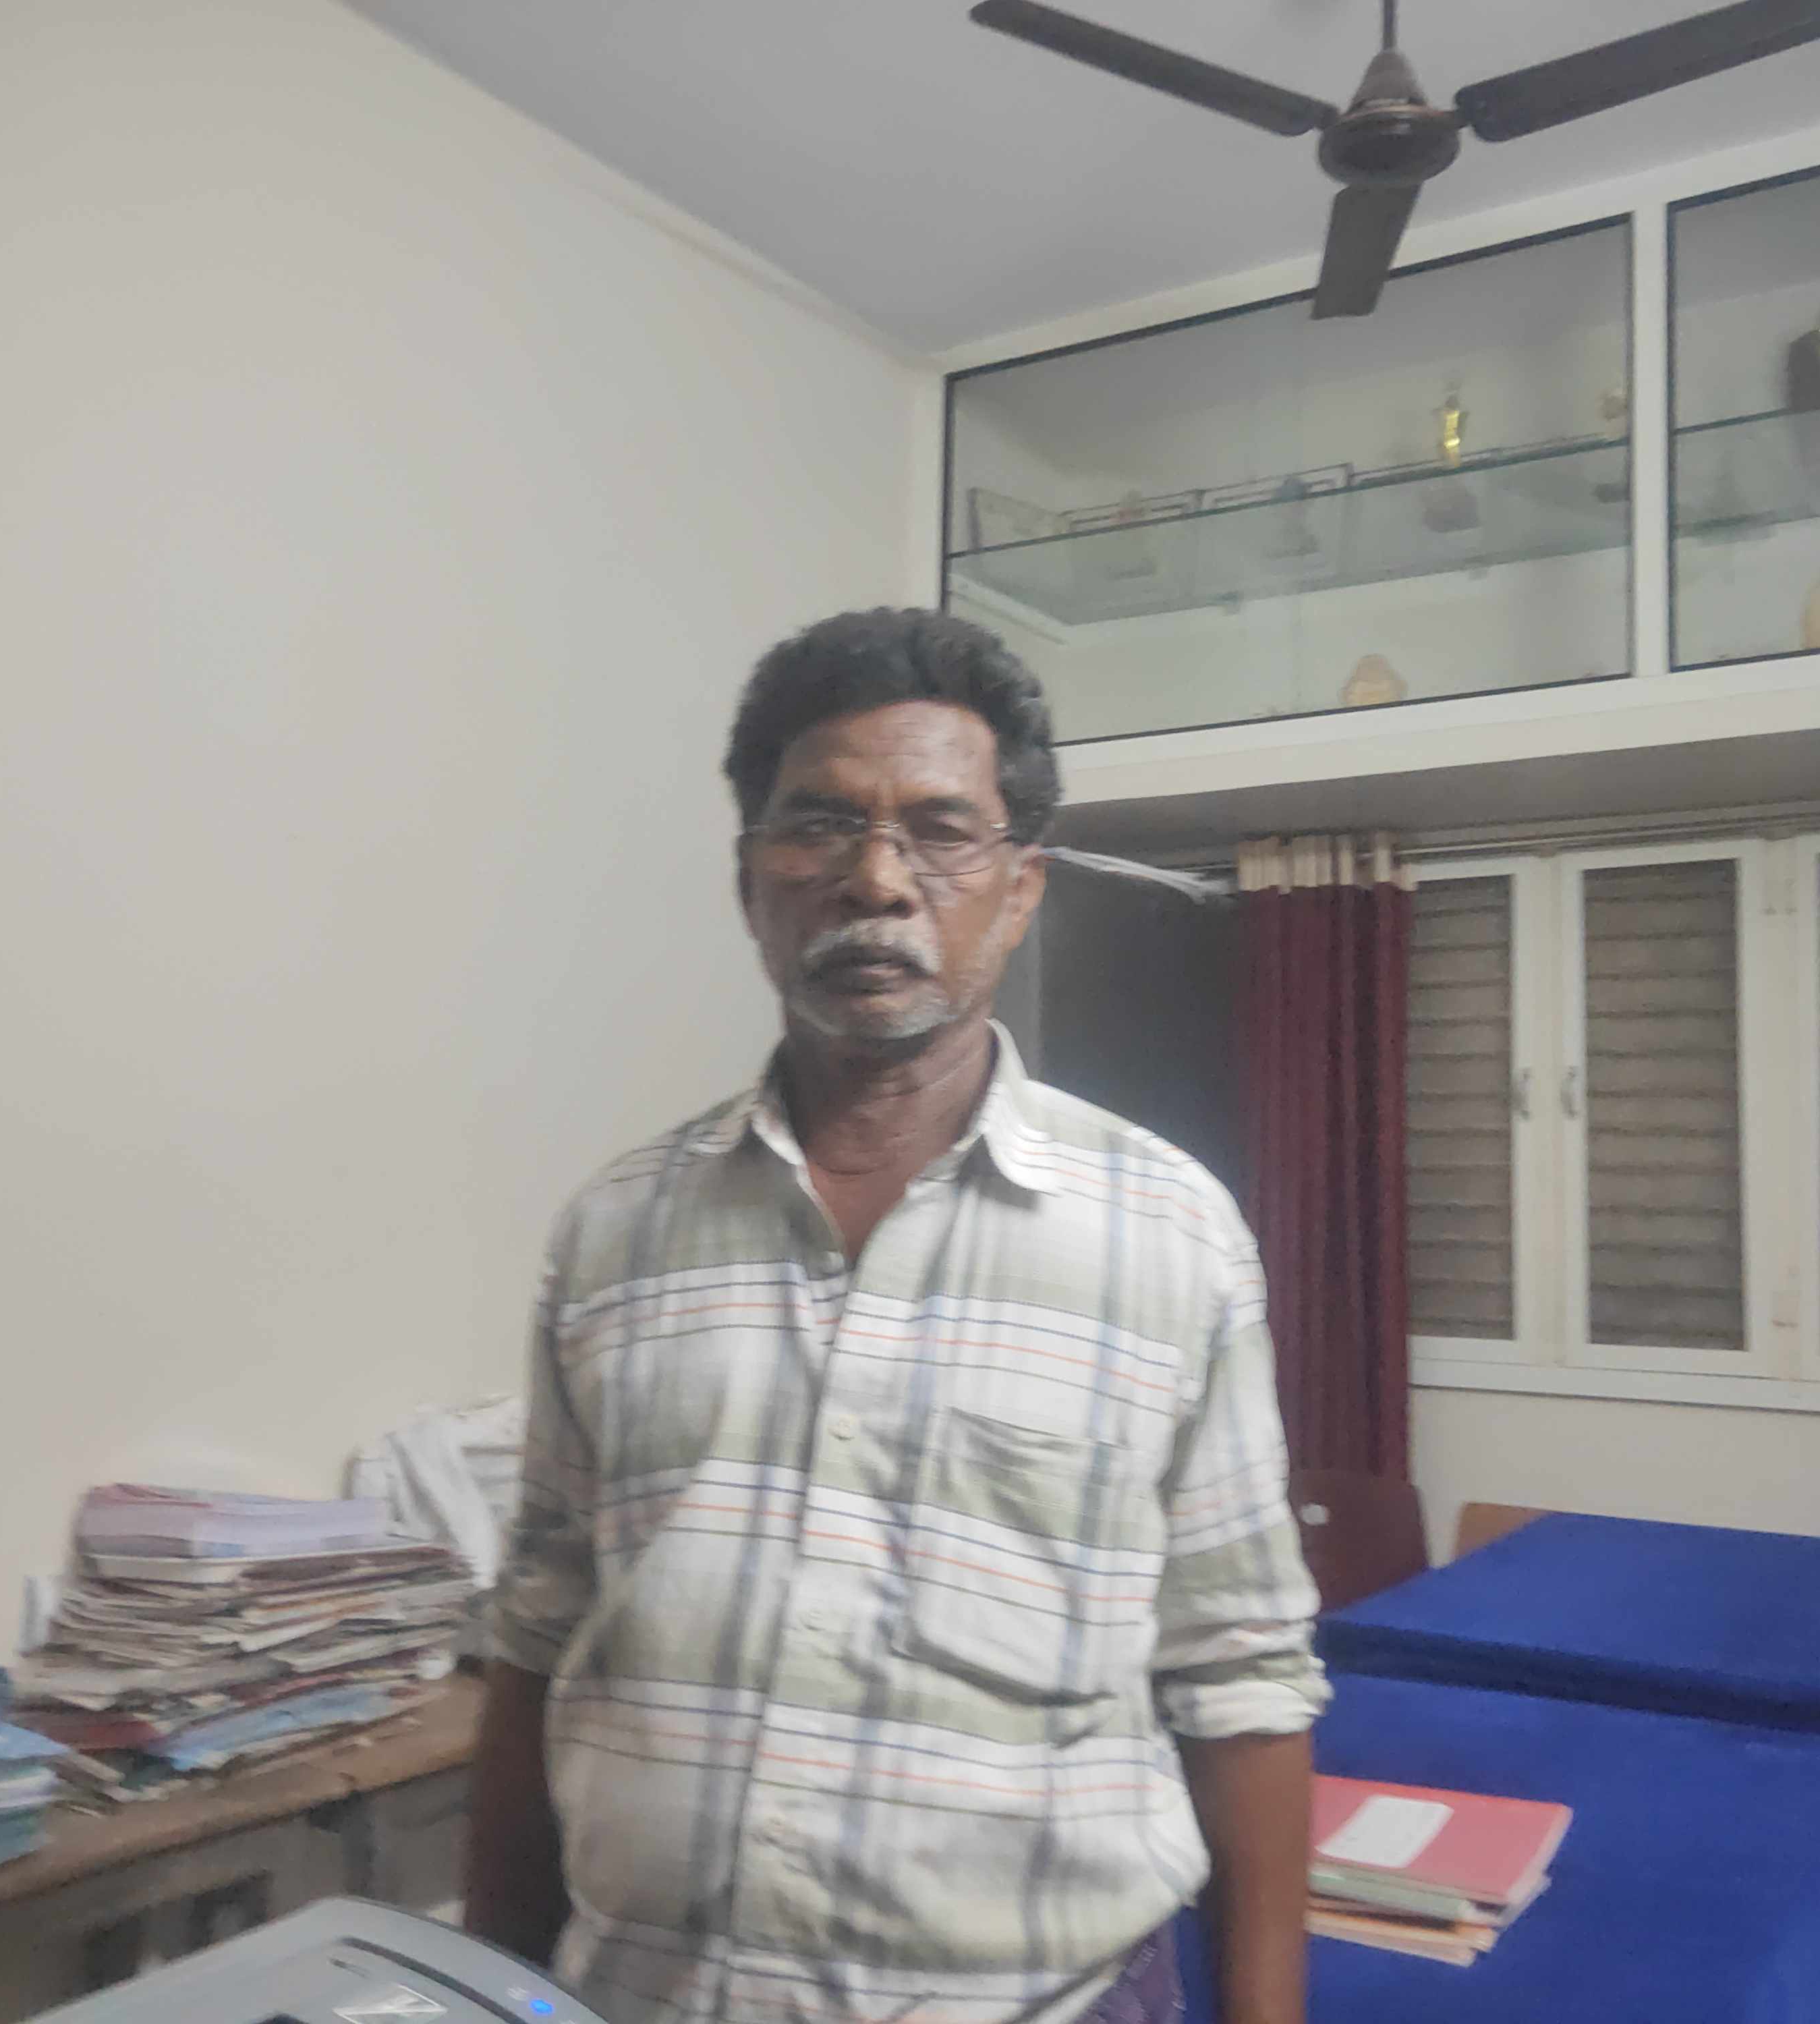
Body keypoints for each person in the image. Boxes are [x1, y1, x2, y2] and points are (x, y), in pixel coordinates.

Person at [465, 608, 1327, 2024]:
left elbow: (1241, 1676)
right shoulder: (613, 1235)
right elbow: (541, 1634)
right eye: (819, 826)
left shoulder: (1169, 1238)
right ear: (750, 882)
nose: (876, 880)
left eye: (940, 832)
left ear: (1020, 888)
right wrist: (485, 1986)